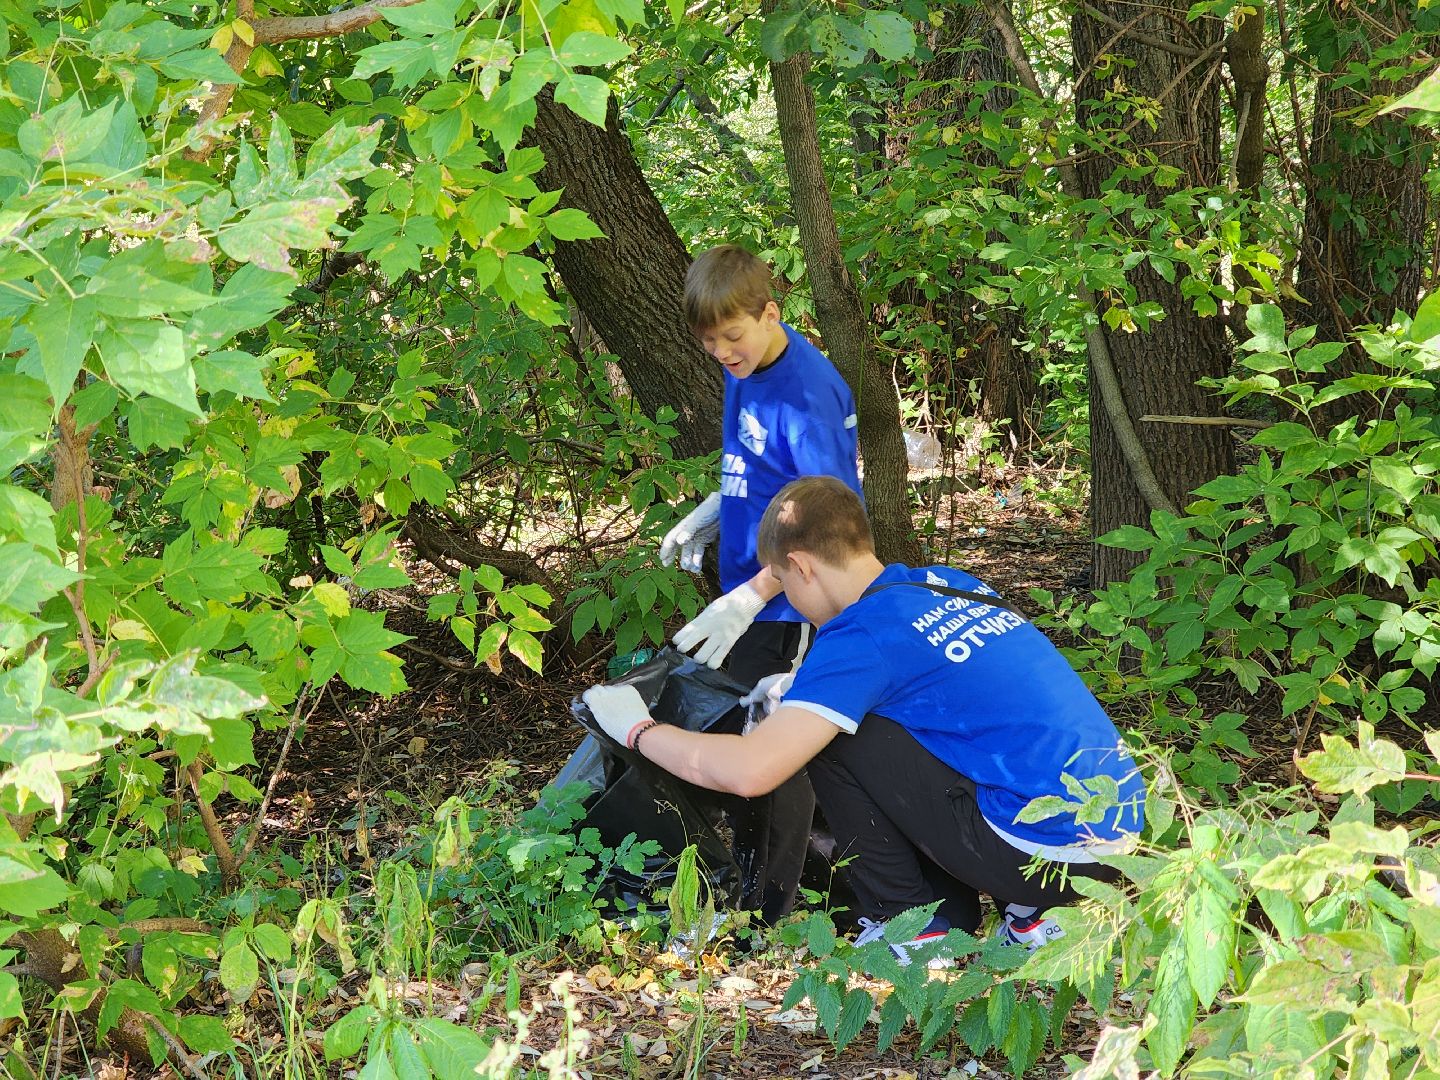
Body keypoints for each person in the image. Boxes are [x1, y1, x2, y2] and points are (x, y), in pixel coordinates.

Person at [590, 476, 1145, 964]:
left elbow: (749, 773)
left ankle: (916, 926)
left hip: (1047, 856)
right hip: (1117, 834)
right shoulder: (947, 584)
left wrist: (636, 728)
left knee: (832, 738)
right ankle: (1025, 914)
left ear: (801, 567)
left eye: (783, 584)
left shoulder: (861, 636)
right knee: (895, 727)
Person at [656, 245, 862, 920]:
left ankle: (768, 911)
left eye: (732, 337)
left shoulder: (808, 396)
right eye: (709, 342)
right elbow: (755, 459)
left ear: (771, 313)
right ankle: (817, 894)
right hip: (748, 591)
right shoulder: (747, 363)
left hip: (789, 601)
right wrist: (718, 509)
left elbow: (827, 530)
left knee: (772, 747)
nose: (722, 353)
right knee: (749, 736)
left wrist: (753, 596)